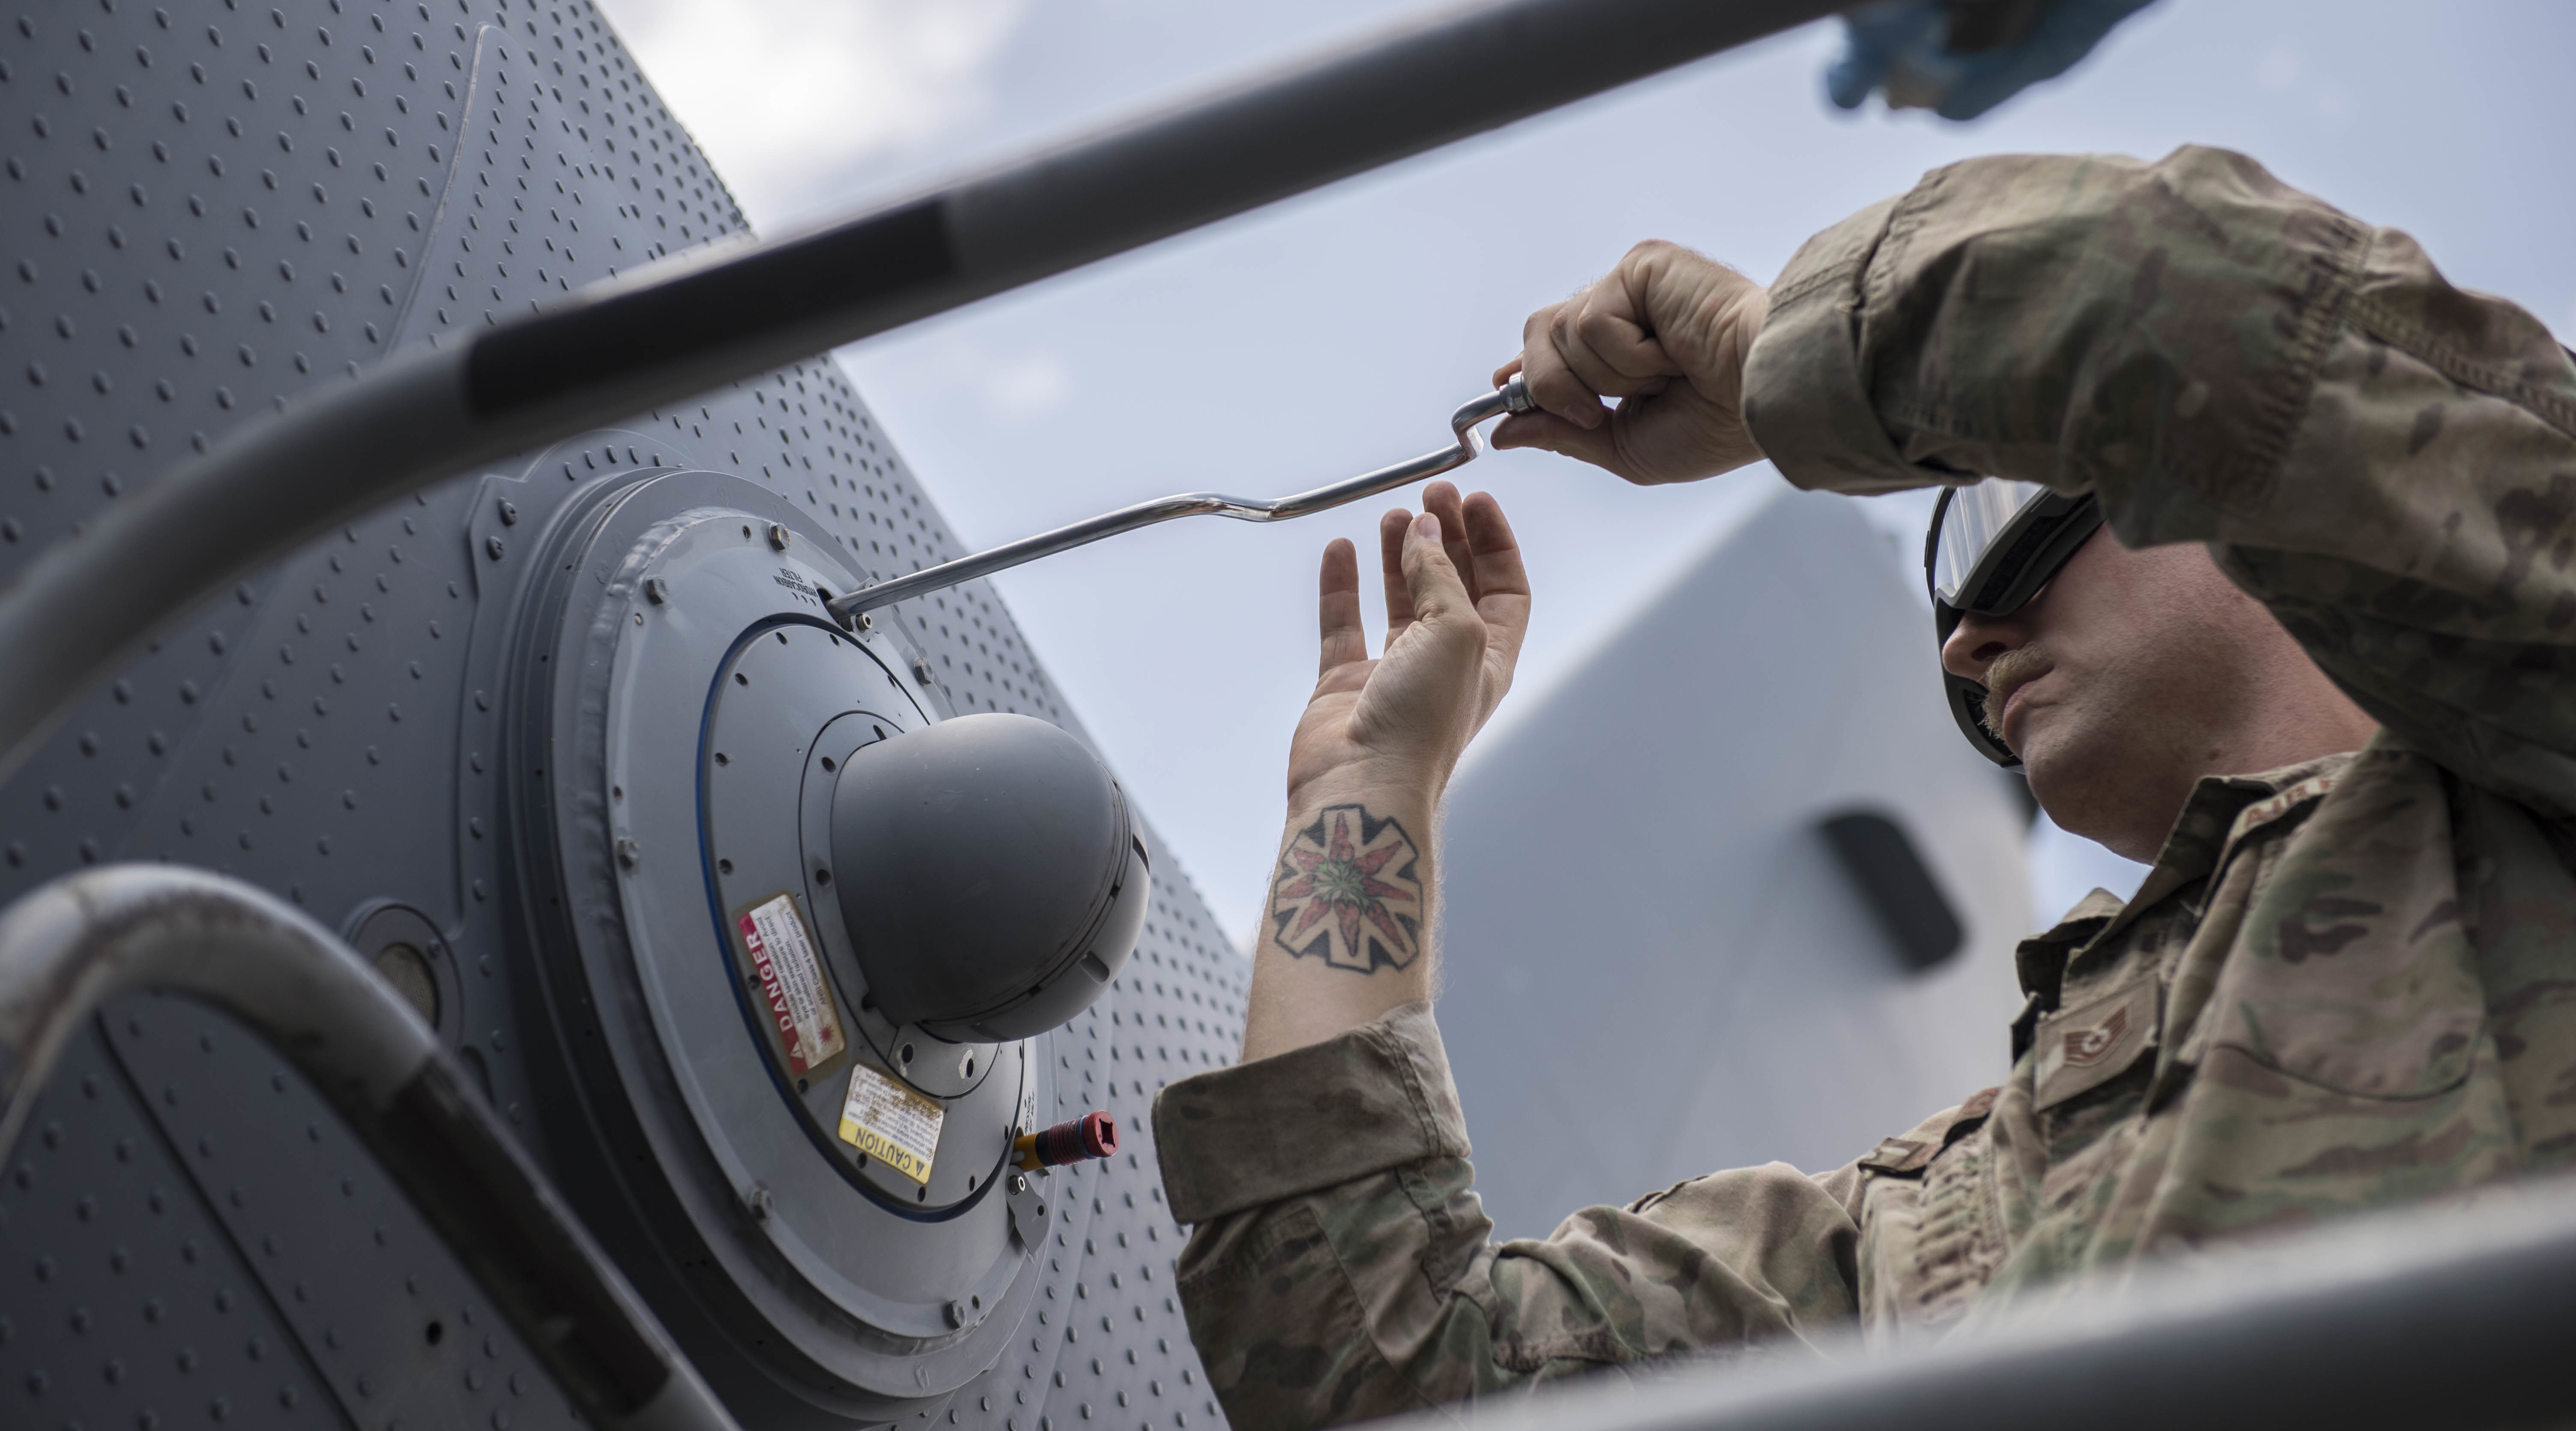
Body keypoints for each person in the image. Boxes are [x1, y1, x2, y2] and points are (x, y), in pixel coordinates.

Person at [1145, 144, 2576, 1429]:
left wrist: (1777, 359)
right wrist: (1372, 785)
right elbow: (1386, 1373)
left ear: (2226, 513)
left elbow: (2206, 313)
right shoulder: (1954, 1210)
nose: (1963, 642)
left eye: (2004, 516)